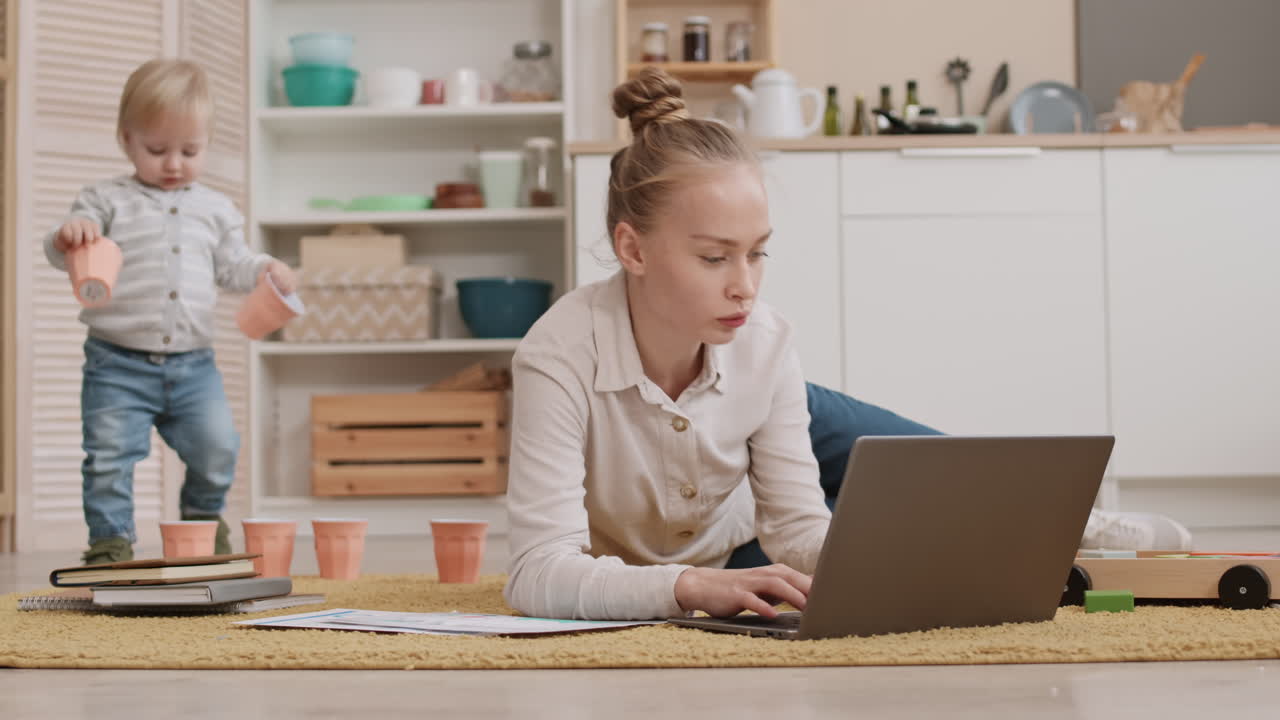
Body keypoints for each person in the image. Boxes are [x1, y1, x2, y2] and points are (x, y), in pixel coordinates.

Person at [503, 68, 1189, 622]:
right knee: (836, 454)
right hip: (724, 553)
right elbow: (537, 572)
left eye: (758, 254)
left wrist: (910, 560)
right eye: (715, 259)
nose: (745, 287)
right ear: (633, 248)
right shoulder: (558, 358)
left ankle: (1074, 525)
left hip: (748, 479)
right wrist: (683, 588)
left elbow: (799, 528)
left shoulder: (763, 338)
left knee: (899, 472)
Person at [43, 59, 296, 565]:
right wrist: (68, 236)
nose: (174, 163)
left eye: (190, 150)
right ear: (126, 139)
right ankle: (110, 540)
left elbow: (234, 267)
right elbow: (67, 251)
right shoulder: (104, 200)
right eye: (157, 150)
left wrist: (269, 268)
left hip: (193, 365)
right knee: (109, 458)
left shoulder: (216, 209)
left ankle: (201, 521)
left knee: (218, 447)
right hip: (116, 362)